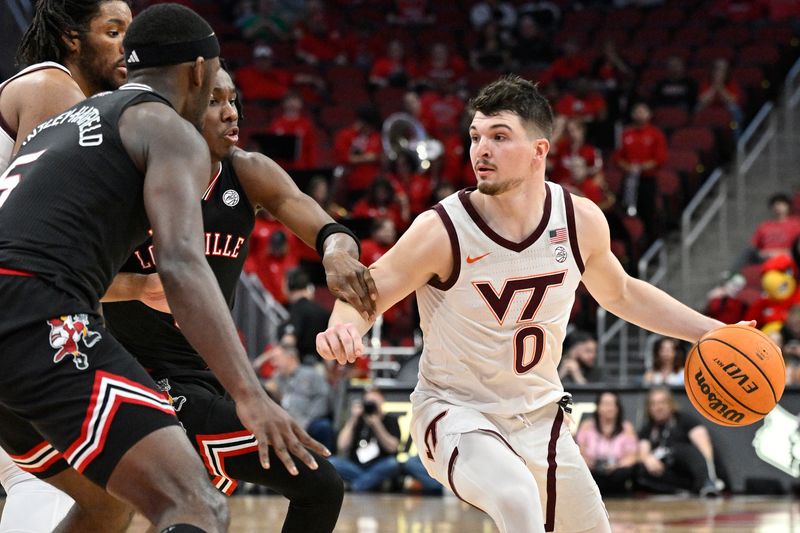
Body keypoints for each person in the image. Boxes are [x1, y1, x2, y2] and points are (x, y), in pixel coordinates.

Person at [317, 75, 744, 533]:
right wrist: (344, 325)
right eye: (476, 137)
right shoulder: (441, 229)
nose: (481, 149)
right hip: (455, 411)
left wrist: (708, 331)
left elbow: (621, 292)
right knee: (516, 497)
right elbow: (367, 292)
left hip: (540, 417)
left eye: (500, 137)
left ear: (539, 151)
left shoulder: (579, 219)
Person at [0, 4, 331, 532]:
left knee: (106, 505)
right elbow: (181, 266)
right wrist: (250, 396)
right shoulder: (169, 131)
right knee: (196, 504)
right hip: (40, 315)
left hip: (21, 315)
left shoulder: (71, 117)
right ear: (199, 71)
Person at [103, 64, 379, 532]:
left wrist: (335, 252)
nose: (230, 113)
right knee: (319, 486)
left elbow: (327, 227)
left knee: (190, 517)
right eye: (214, 101)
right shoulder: (131, 179)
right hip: (139, 376)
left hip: (212, 373)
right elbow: (60, 275)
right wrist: (139, 286)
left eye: (234, 100)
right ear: (180, 107)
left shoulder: (247, 171)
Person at [0, 0, 132, 529]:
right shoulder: (57, 90)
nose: (128, 46)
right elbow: (38, 237)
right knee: (48, 478)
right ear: (72, 38)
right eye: (114, 30)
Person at [637, 387, 724, 496]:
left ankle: (708, 482)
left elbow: (704, 445)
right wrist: (648, 459)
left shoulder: (684, 420)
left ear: (670, 404)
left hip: (688, 468)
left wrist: (711, 474)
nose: (658, 407)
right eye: (653, 404)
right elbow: (643, 451)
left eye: (662, 402)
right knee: (640, 469)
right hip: (666, 471)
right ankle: (681, 490)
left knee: (685, 450)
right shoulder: (648, 428)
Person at [265, 342, 336, 453]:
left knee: (323, 427)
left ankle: (329, 459)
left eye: (277, 359)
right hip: (285, 422)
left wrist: (307, 421)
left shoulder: (310, 374)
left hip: (309, 421)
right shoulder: (277, 379)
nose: (274, 363)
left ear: (290, 357)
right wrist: (271, 392)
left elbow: (323, 398)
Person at [329, 388, 402, 492]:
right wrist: (353, 419)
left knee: (392, 464)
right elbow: (341, 445)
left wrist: (377, 424)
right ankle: (370, 483)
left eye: (374, 402)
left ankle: (355, 486)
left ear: (382, 401)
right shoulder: (357, 420)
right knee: (333, 462)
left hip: (378, 465)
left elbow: (392, 448)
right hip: (356, 466)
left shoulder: (391, 420)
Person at [576, 391, 638, 495]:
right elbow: (580, 453)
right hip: (593, 472)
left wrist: (617, 466)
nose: (609, 408)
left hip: (617, 474)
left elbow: (632, 457)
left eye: (612, 404)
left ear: (618, 408)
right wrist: (591, 464)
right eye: (605, 404)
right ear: (598, 407)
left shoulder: (627, 428)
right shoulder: (587, 426)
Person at [284, 267, 331, 363]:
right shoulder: (322, 311)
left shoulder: (297, 309)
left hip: (302, 368)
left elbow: (288, 340)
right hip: (320, 367)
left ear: (289, 285)